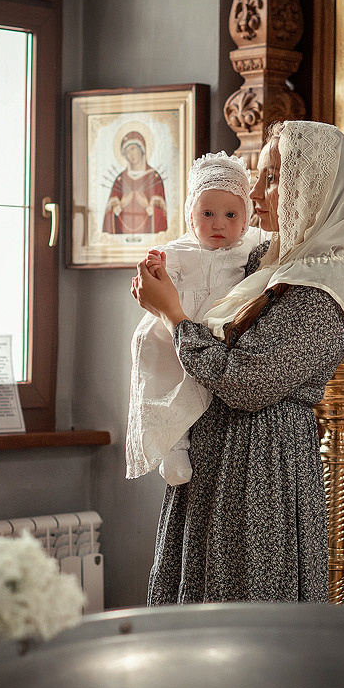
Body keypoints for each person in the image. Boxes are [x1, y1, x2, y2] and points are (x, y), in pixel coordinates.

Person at [131, 120, 344, 604]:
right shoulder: (275, 262)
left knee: (244, 616)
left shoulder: (326, 288)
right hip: (218, 461)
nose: (257, 193)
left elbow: (246, 382)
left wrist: (174, 315)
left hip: (261, 471)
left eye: (274, 177)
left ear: (317, 189)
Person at [126, 152, 260, 487]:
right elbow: (158, 279)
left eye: (231, 214)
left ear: (246, 219)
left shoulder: (254, 248)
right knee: (153, 356)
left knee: (199, 381)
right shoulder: (180, 250)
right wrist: (156, 270)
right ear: (190, 215)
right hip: (177, 325)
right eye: (208, 213)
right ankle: (173, 445)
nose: (219, 224)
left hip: (219, 330)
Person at [102, 130, 168, 234]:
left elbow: (163, 217)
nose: (130, 154)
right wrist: (120, 206)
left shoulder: (154, 178)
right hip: (122, 236)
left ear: (142, 149)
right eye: (126, 152)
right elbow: (108, 220)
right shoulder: (120, 180)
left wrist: (147, 207)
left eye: (133, 149)